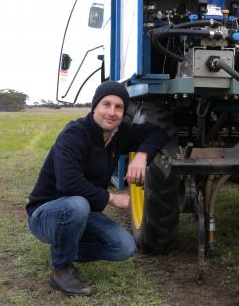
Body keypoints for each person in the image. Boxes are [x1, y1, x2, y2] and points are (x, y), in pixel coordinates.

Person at [26, 81, 169, 296]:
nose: (112, 112)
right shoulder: (74, 134)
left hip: (82, 213)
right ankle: (61, 269)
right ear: (95, 107)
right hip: (46, 214)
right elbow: (68, 183)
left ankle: (65, 246)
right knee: (78, 203)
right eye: (106, 104)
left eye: (118, 107)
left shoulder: (118, 135)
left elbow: (158, 133)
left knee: (124, 247)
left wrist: (142, 155)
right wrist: (111, 198)